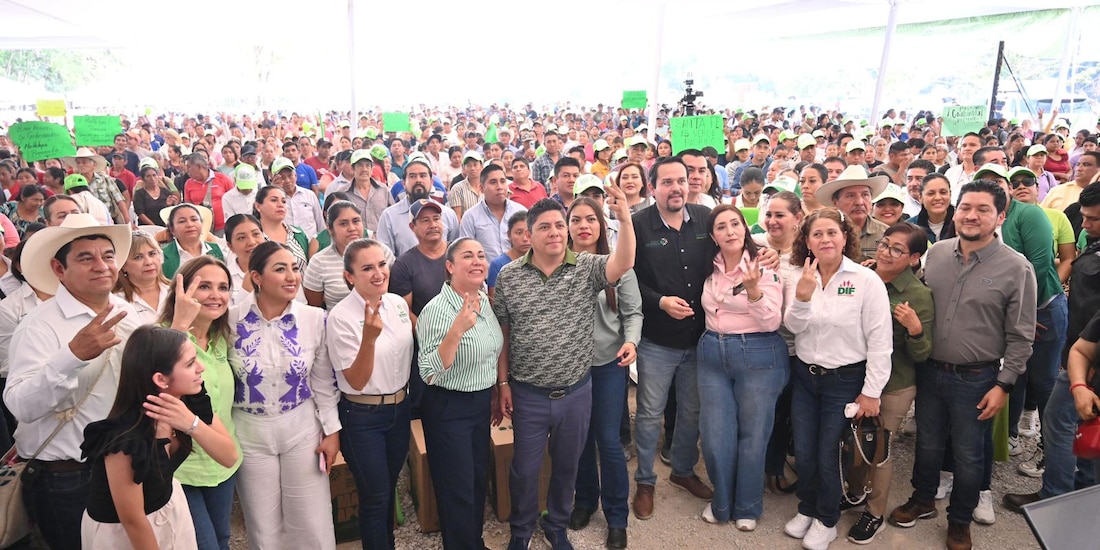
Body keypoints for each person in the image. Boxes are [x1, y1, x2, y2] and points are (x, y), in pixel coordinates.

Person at [891, 181, 1037, 550]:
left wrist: (1003, 385)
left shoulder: (1016, 268)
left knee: (970, 455)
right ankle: (923, 500)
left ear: (1000, 216)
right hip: (930, 371)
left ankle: (959, 520)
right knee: (928, 443)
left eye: (983, 209)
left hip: (978, 378)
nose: (972, 215)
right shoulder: (937, 253)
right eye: (966, 207)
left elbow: (1021, 336)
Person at [494, 190, 635, 550]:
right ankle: (522, 530)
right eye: (545, 227)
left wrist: (624, 218)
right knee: (524, 470)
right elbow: (503, 335)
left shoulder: (586, 268)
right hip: (528, 394)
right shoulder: (509, 277)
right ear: (529, 233)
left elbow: (623, 263)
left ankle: (557, 524)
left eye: (560, 224)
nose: (555, 232)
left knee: (567, 466)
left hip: (576, 392)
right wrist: (503, 383)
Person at [5, 213, 140, 549]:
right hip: (69, 477)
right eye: (85, 257)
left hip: (127, 463)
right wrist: (73, 356)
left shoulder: (127, 312)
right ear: (58, 269)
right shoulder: (39, 326)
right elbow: (20, 404)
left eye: (108, 256)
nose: (101, 265)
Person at [781, 207, 891, 550]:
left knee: (828, 451)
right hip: (805, 375)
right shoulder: (800, 276)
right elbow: (793, 327)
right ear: (807, 241)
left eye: (832, 232)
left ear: (845, 237)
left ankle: (827, 520)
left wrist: (871, 392)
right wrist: (801, 296)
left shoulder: (865, 280)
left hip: (844, 379)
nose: (825, 239)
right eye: (817, 234)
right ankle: (808, 507)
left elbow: (880, 341)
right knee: (805, 449)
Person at [79, 325, 237, 550]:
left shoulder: (189, 399)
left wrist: (191, 424)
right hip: (124, 535)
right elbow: (132, 520)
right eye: (191, 363)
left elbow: (229, 457)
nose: (201, 368)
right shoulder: (125, 439)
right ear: (161, 379)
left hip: (169, 508)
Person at [230, 241, 341, 550]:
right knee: (263, 525)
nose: (292, 276)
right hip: (248, 431)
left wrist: (331, 431)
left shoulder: (315, 319)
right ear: (256, 277)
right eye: (280, 269)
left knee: (311, 519)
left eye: (294, 268)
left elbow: (322, 382)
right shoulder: (229, 320)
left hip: (301, 426)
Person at [630, 156, 714, 523]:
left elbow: (731, 255)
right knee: (649, 414)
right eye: (667, 182)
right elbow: (629, 278)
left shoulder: (705, 219)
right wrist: (660, 301)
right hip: (657, 341)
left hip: (700, 340)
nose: (677, 187)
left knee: (691, 411)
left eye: (682, 179)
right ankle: (645, 482)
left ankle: (683, 470)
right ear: (653, 188)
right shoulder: (638, 225)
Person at [695, 203, 786, 532]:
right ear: (713, 236)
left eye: (735, 224)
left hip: (758, 352)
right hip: (712, 352)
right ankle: (722, 501)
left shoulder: (762, 262)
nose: (730, 231)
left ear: (745, 229)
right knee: (716, 433)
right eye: (722, 227)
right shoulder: (710, 266)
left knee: (754, 434)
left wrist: (753, 291)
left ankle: (747, 504)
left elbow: (773, 319)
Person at [843, 222, 933, 544]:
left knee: (879, 448)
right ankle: (854, 493)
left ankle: (874, 512)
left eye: (897, 249)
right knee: (853, 442)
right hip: (854, 377)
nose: (885, 252)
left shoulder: (918, 295)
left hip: (894, 384)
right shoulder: (863, 276)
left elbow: (923, 355)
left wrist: (915, 330)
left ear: (913, 258)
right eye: (884, 244)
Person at [323, 239, 412, 549]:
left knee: (388, 490)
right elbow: (357, 381)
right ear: (350, 276)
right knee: (375, 497)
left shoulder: (397, 304)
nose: (378, 273)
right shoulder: (341, 317)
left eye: (381, 265)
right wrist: (369, 340)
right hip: (363, 416)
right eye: (367, 268)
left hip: (399, 410)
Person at [416, 237, 504, 550]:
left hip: (479, 402)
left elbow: (489, 351)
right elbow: (427, 370)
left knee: (478, 480)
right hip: (448, 407)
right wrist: (456, 330)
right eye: (468, 256)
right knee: (457, 488)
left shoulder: (482, 300)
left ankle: (473, 542)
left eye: (481, 255)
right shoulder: (437, 310)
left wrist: (494, 390)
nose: (477, 261)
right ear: (450, 267)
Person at [566, 198, 641, 549]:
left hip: (609, 365)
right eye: (576, 219)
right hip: (570, 368)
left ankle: (616, 517)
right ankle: (584, 501)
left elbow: (633, 312)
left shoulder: (618, 265)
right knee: (578, 440)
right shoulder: (559, 265)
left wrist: (631, 341)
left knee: (608, 441)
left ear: (601, 225)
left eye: (590, 219)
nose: (583, 225)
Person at [157, 257, 242, 550]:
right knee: (201, 544)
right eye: (204, 286)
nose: (216, 295)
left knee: (222, 538)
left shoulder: (222, 338)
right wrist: (180, 322)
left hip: (222, 459)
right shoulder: (162, 335)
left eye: (223, 287)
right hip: (183, 468)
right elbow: (153, 387)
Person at [752, 191, 804, 494]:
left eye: (780, 215)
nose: (772, 221)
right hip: (760, 343)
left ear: (797, 219)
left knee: (785, 412)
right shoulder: (753, 244)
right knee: (761, 411)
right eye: (769, 214)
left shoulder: (807, 253)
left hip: (797, 348)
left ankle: (774, 466)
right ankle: (755, 467)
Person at [304, 201, 393, 309]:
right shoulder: (319, 262)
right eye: (343, 223)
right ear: (330, 229)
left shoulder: (381, 251)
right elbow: (315, 307)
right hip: (339, 323)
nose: (352, 228)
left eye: (356, 221)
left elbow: (394, 290)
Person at [813, 165, 890, 261]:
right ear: (835, 202)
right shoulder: (824, 233)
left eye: (865, 195)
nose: (859, 202)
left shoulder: (885, 233)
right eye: (850, 196)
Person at [459, 163, 527, 260]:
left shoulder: (521, 211)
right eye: (493, 182)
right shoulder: (470, 217)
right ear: (482, 188)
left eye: (503, 181)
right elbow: (466, 252)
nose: (499, 187)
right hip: (486, 274)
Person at [115, 231, 170, 325]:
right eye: (138, 257)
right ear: (123, 265)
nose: (148, 262)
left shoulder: (176, 291)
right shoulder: (116, 301)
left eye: (152, 254)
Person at [160, 204, 225, 279]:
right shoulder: (162, 256)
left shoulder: (220, 251)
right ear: (172, 229)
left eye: (194, 219)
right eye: (182, 221)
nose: (189, 224)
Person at [253, 186, 309, 270]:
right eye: (274, 200)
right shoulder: (253, 238)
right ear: (258, 206)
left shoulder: (297, 233)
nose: (280, 205)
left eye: (283, 201)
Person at [270, 157, 325, 240]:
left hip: (312, 247)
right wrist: (273, 191)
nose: (287, 181)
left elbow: (320, 224)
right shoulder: (270, 201)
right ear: (274, 179)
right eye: (282, 177)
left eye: (290, 176)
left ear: (295, 175)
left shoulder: (309, 195)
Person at [182, 153, 233, 235]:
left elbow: (234, 199)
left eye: (189, 167)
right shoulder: (188, 183)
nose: (186, 170)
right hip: (202, 228)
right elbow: (189, 205)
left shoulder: (222, 178)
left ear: (199, 166)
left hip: (223, 226)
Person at [907, 172, 956, 243]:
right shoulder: (910, 228)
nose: (938, 198)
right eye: (931, 193)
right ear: (920, 198)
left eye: (943, 192)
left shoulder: (961, 223)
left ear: (950, 195)